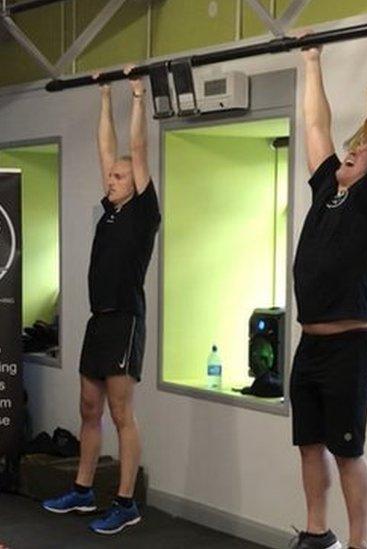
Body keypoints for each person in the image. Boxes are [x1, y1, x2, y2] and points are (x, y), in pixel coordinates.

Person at [289, 21, 367, 549]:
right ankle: (318, 534)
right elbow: (316, 125)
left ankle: (359, 544)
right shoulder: (326, 192)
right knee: (309, 448)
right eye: (350, 151)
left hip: (350, 348)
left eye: (360, 153)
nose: (350, 152)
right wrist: (310, 60)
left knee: (346, 452)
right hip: (310, 345)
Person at [42, 67, 160, 536]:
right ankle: (83, 490)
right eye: (109, 175)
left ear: (136, 183)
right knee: (88, 409)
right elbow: (104, 148)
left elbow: (138, 149)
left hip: (125, 320)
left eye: (118, 176)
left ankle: (126, 502)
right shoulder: (111, 209)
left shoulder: (144, 211)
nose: (109, 178)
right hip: (98, 321)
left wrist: (135, 96)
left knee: (119, 412)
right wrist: (104, 97)